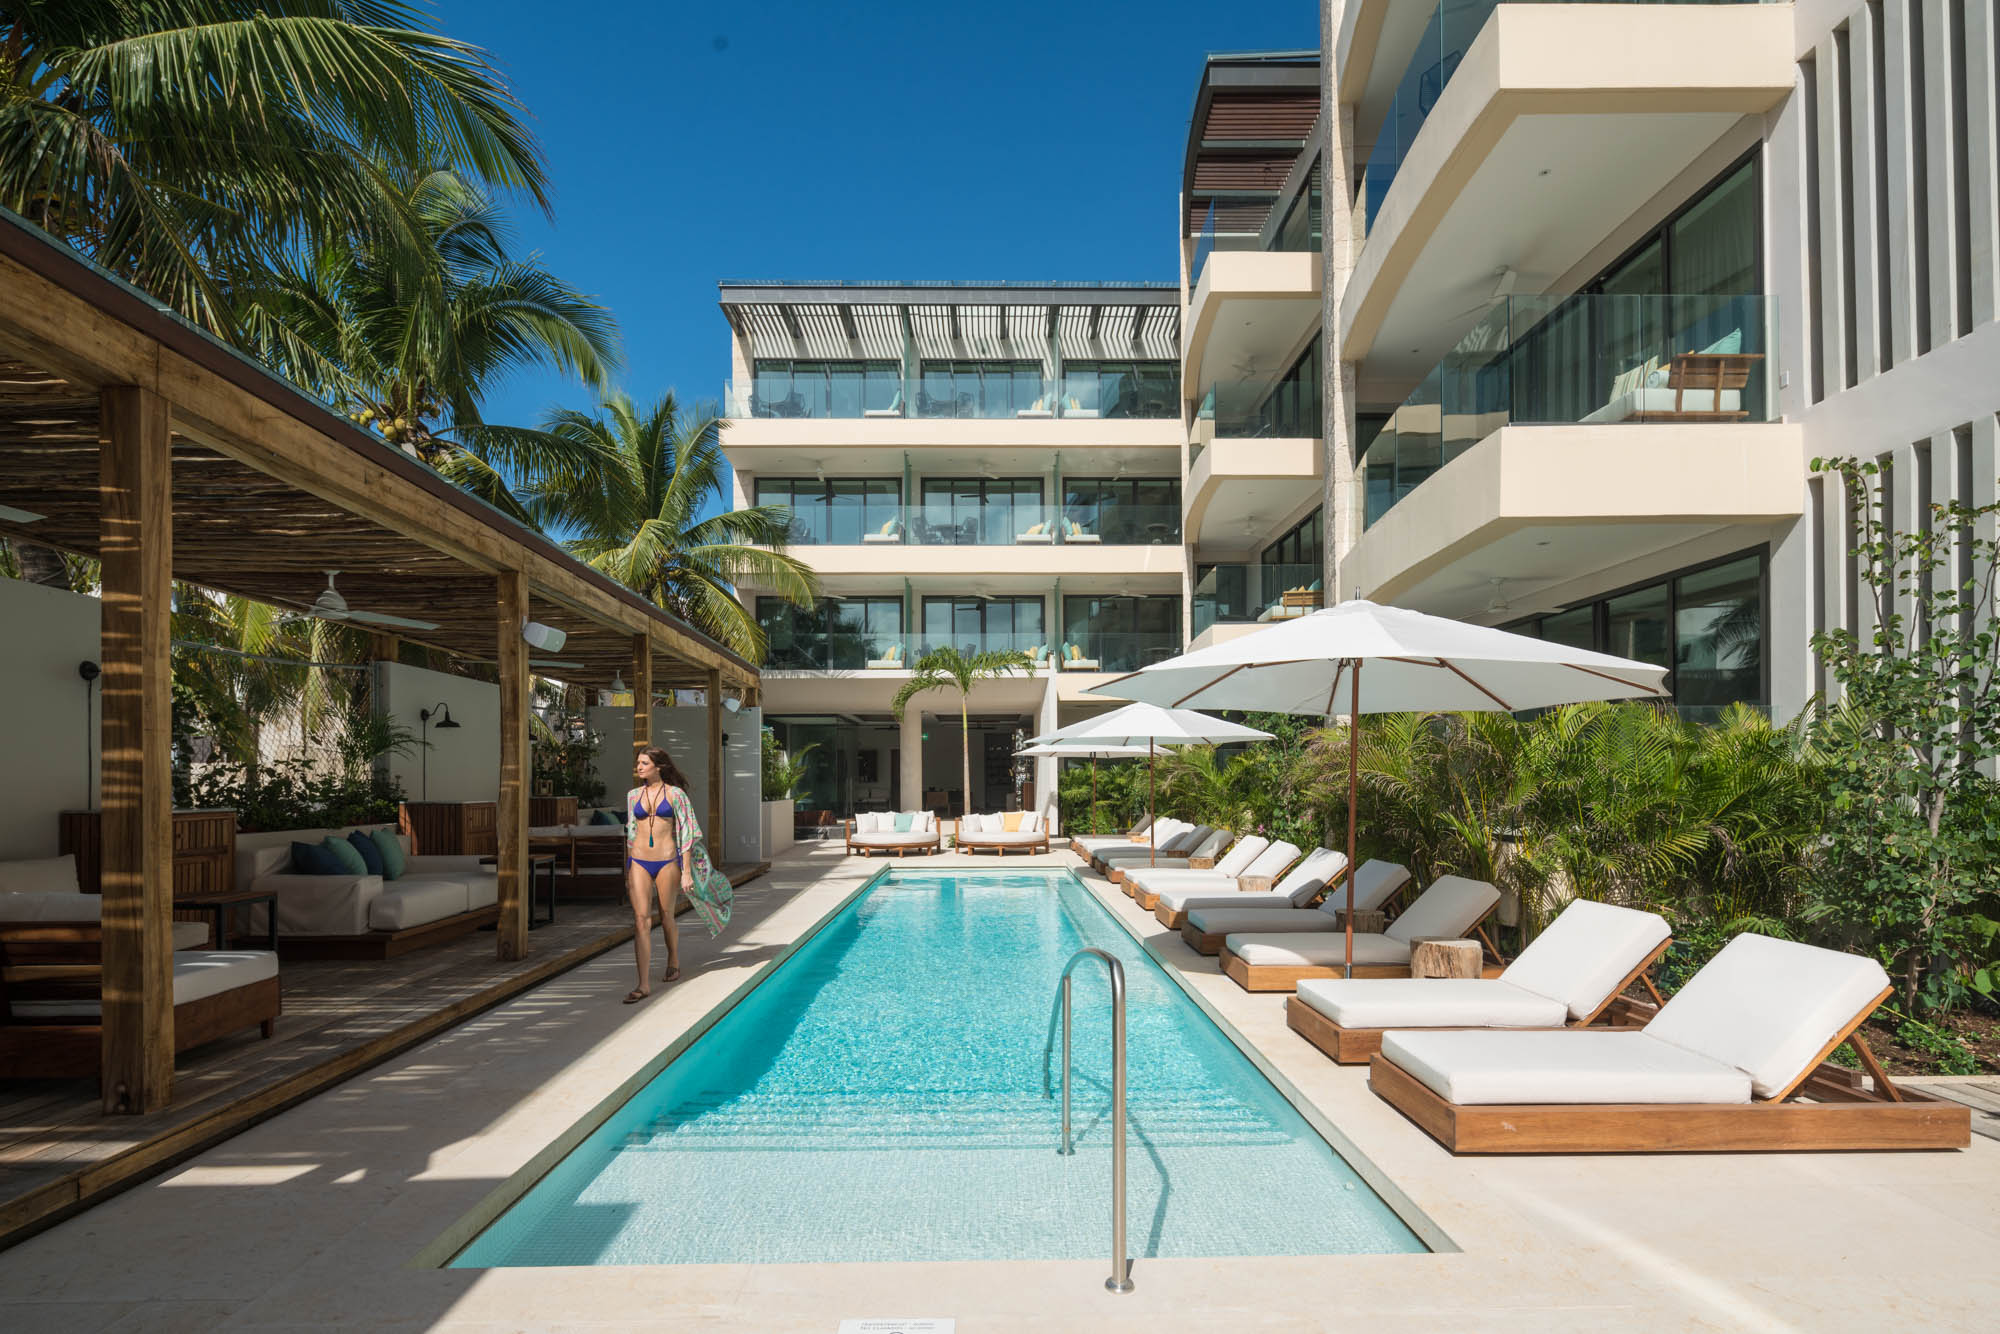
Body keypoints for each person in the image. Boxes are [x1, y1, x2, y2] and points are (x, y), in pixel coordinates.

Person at [622, 745, 733, 1003]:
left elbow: (687, 832)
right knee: (641, 920)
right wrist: (628, 865)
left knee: (666, 916)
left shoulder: (676, 795)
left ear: (658, 767)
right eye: (638, 763)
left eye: (644, 763)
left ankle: (673, 959)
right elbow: (630, 833)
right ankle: (643, 984)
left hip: (667, 860)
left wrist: (686, 872)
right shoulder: (632, 796)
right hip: (638, 860)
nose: (639, 767)